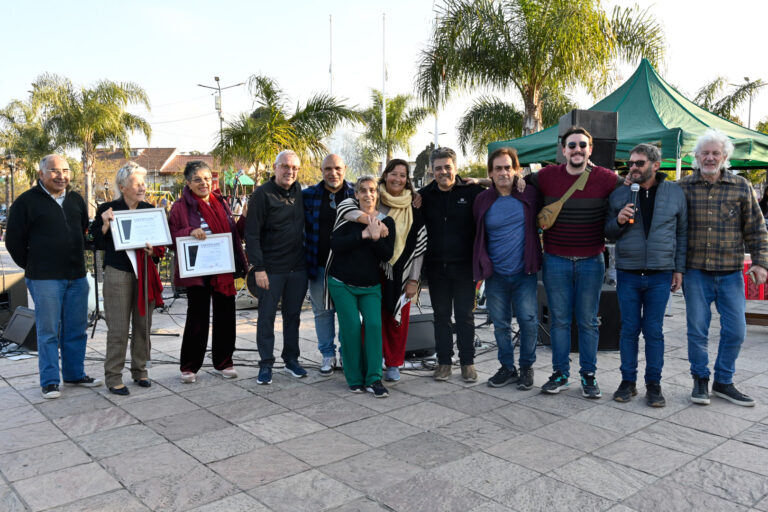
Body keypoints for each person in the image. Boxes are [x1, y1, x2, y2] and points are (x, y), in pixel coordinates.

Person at [529, 126, 623, 398]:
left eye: (582, 145)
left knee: (588, 321)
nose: (577, 149)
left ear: (590, 149)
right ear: (563, 150)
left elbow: (631, 185)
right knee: (559, 321)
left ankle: (588, 376)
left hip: (591, 261)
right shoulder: (547, 177)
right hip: (556, 260)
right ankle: (560, 374)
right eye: (572, 145)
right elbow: (517, 183)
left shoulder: (606, 178)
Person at [679, 129, 768, 407]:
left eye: (715, 153)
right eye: (705, 153)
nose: (710, 157)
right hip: (695, 272)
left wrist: (761, 262)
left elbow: (756, 227)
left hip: (730, 272)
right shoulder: (682, 187)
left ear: (725, 156)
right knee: (697, 330)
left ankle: (724, 381)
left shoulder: (741, 186)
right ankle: (700, 380)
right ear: (696, 157)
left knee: (737, 330)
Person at [5, 154, 102, 398]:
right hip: (45, 279)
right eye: (55, 171)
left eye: (66, 171)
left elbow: (82, 232)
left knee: (76, 329)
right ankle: (49, 381)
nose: (62, 176)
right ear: (41, 174)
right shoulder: (25, 202)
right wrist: (34, 265)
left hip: (77, 277)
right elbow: (13, 242)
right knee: (48, 332)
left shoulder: (76, 200)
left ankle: (74, 373)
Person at [605, 144, 687, 407]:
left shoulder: (675, 192)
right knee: (629, 329)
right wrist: (618, 220)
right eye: (631, 163)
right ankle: (627, 382)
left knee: (654, 331)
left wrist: (678, 269)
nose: (633, 168)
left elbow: (682, 234)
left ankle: (654, 384)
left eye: (639, 163)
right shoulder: (620, 195)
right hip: (628, 273)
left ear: (655, 165)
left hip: (660, 274)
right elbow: (607, 232)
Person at [341, 159, 427, 381]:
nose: (397, 179)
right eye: (393, 174)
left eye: (402, 175)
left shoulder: (414, 205)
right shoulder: (372, 196)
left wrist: (414, 280)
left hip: (404, 272)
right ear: (385, 175)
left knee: (398, 319)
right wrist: (371, 220)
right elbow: (347, 210)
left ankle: (394, 363)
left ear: (407, 180)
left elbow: (418, 246)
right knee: (372, 320)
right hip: (373, 269)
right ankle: (371, 359)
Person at [168, 160, 247, 383]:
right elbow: (170, 237)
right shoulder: (180, 208)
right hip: (198, 271)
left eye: (207, 178)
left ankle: (224, 362)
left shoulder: (220, 203)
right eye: (197, 179)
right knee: (198, 318)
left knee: (225, 316)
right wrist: (189, 231)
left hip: (222, 269)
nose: (203, 183)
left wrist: (246, 218)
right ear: (188, 183)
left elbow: (234, 235)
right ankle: (189, 366)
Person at [92, 163, 166, 395]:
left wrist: (153, 251)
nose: (143, 187)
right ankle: (113, 376)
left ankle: (140, 370)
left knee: (143, 325)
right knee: (118, 328)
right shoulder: (108, 208)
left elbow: (160, 244)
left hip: (144, 274)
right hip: (118, 273)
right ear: (123, 187)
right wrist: (104, 224)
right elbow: (95, 242)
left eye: (144, 183)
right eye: (137, 183)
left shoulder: (149, 208)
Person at [473, 148, 542, 390]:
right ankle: (507, 367)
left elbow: (546, 177)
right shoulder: (482, 200)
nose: (503, 172)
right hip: (496, 275)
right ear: (491, 172)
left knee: (529, 321)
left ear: (516, 170)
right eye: (498, 168)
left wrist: (525, 179)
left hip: (525, 272)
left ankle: (526, 367)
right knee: (500, 324)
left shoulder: (529, 194)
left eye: (508, 167)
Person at [418, 147, 484, 383]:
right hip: (437, 268)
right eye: (438, 168)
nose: (443, 172)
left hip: (466, 267)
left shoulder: (473, 191)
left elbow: (501, 183)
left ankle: (468, 363)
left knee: (465, 316)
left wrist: (481, 178)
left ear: (455, 167)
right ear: (431, 170)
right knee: (441, 316)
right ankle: (444, 362)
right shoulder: (423, 196)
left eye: (447, 167)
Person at [326, 176, 395, 397]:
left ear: (377, 193)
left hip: (370, 285)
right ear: (356, 194)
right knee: (352, 328)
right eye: (363, 190)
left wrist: (375, 238)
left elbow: (387, 254)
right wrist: (364, 234)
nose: (368, 194)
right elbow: (336, 244)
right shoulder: (347, 215)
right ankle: (354, 378)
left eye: (372, 190)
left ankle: (373, 379)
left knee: (374, 325)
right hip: (341, 283)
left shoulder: (387, 222)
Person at [246, 150, 308, 385]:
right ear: (275, 167)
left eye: (294, 168)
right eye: (285, 166)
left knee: (292, 317)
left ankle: (291, 360)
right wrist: (258, 267)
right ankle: (266, 364)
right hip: (270, 269)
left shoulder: (301, 192)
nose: (289, 171)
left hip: (297, 269)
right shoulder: (261, 194)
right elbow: (251, 234)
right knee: (266, 317)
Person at [302, 154, 355, 375]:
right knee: (322, 312)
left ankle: (346, 354)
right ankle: (327, 355)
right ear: (321, 170)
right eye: (328, 169)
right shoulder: (308, 195)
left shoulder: (356, 193)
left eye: (337, 168)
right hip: (319, 264)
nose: (333, 173)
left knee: (347, 312)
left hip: (349, 266)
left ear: (345, 169)